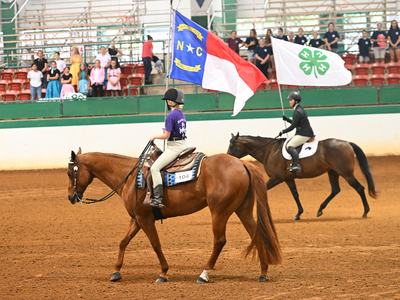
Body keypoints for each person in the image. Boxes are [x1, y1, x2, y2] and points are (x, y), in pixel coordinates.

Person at [149, 88, 187, 208]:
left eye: (168, 100)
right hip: (182, 144)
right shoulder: (180, 114)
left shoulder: (171, 115)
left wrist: (154, 137)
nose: (168, 102)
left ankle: (158, 198)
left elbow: (166, 136)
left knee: (154, 168)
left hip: (174, 147)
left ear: (171, 102)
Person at [278, 91, 315, 173]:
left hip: (304, 134)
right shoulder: (299, 109)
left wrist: (282, 131)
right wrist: (287, 119)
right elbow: (296, 123)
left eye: (291, 100)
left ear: (296, 101)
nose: (289, 102)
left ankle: (296, 165)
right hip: (304, 132)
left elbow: (292, 127)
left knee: (290, 146)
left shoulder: (297, 112)